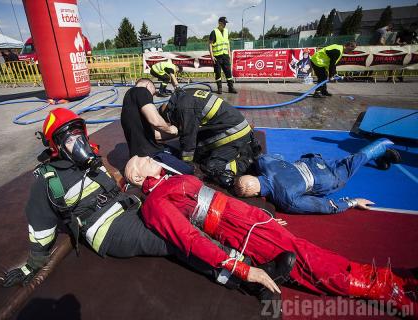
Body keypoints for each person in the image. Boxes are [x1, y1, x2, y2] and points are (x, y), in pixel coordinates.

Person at [2, 108, 290, 297]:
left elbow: (117, 186)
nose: (77, 144)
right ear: (55, 145)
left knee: (191, 216)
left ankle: (255, 258)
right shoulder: (47, 180)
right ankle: (250, 280)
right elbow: (40, 229)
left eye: (79, 135)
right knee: (178, 240)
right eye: (69, 139)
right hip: (108, 229)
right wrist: (31, 266)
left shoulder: (92, 161)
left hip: (130, 207)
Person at [124, 157, 418, 316]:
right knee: (311, 264)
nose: (148, 157)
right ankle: (389, 289)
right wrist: (242, 268)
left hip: (250, 221)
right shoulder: (155, 205)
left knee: (310, 253)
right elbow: (190, 239)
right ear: (138, 178)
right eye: (141, 160)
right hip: (240, 233)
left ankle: (394, 281)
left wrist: (262, 216)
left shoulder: (170, 180)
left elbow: (219, 198)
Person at [234, 138, 401, 214]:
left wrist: (353, 202)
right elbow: (279, 158)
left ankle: (382, 145)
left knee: (353, 163)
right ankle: (382, 156)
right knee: (346, 160)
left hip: (326, 179)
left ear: (256, 194)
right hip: (312, 161)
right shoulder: (263, 162)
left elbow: (324, 206)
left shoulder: (285, 199)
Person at [159, 88, 261, 187]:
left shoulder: (185, 110)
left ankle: (246, 161)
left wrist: (185, 163)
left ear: (169, 118)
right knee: (200, 150)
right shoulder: (183, 96)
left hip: (234, 132)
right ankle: (239, 149)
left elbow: (188, 139)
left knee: (212, 167)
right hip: (231, 125)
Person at [209, 16, 237, 94]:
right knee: (218, 72)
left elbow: (227, 43)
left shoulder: (226, 31)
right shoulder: (214, 32)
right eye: (224, 23)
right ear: (220, 23)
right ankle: (219, 88)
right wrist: (212, 56)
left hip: (225, 56)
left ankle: (231, 88)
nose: (225, 25)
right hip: (217, 57)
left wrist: (229, 53)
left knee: (228, 72)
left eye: (225, 23)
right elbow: (210, 44)